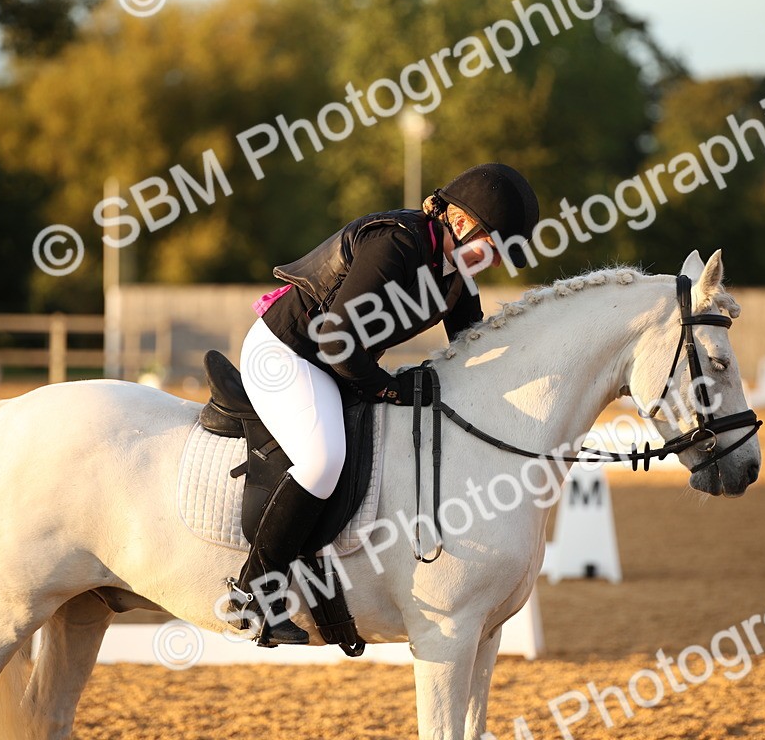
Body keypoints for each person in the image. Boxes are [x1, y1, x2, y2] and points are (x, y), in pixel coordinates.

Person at [229, 162, 539, 645]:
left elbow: (474, 346)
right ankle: (253, 593)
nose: (496, 262)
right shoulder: (397, 243)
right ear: (460, 223)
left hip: (337, 362)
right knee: (323, 459)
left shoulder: (454, 269)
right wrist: (390, 389)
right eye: (494, 247)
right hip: (289, 353)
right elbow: (335, 340)